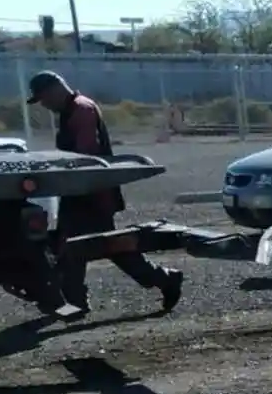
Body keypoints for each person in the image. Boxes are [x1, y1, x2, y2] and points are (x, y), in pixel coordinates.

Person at [26, 71, 182, 315]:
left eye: (43, 98)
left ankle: (163, 279)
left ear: (56, 89)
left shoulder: (81, 110)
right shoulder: (71, 111)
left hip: (91, 193)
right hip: (81, 192)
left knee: (94, 246)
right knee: (91, 246)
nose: (44, 104)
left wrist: (61, 167)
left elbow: (86, 155)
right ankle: (76, 301)